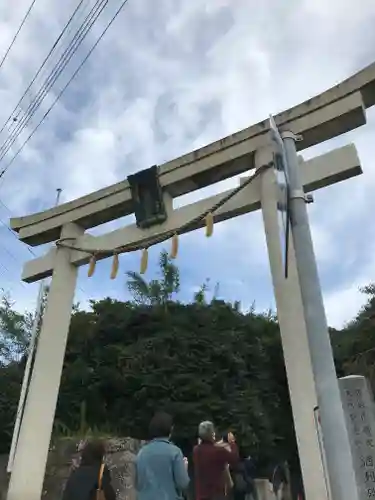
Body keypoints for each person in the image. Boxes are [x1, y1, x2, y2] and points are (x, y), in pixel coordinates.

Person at [135, 411, 189, 500]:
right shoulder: (175, 452)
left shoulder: (142, 452)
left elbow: (138, 482)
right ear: (171, 429)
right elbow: (183, 483)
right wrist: (184, 468)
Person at [193, 421, 239, 500]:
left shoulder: (196, 450)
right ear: (212, 434)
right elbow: (234, 458)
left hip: (201, 493)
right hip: (216, 493)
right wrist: (232, 443)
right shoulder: (218, 451)